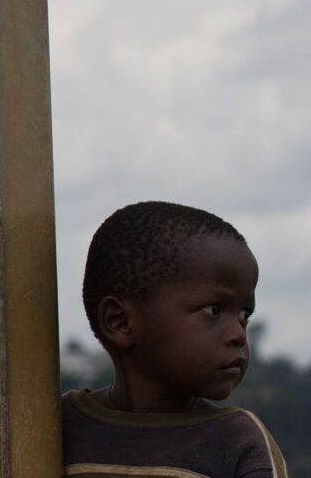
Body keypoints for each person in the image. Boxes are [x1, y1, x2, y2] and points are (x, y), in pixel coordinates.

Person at [66, 201, 289, 477]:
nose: (238, 334)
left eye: (245, 315)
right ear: (120, 322)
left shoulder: (237, 441)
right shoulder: (55, 428)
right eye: (213, 310)